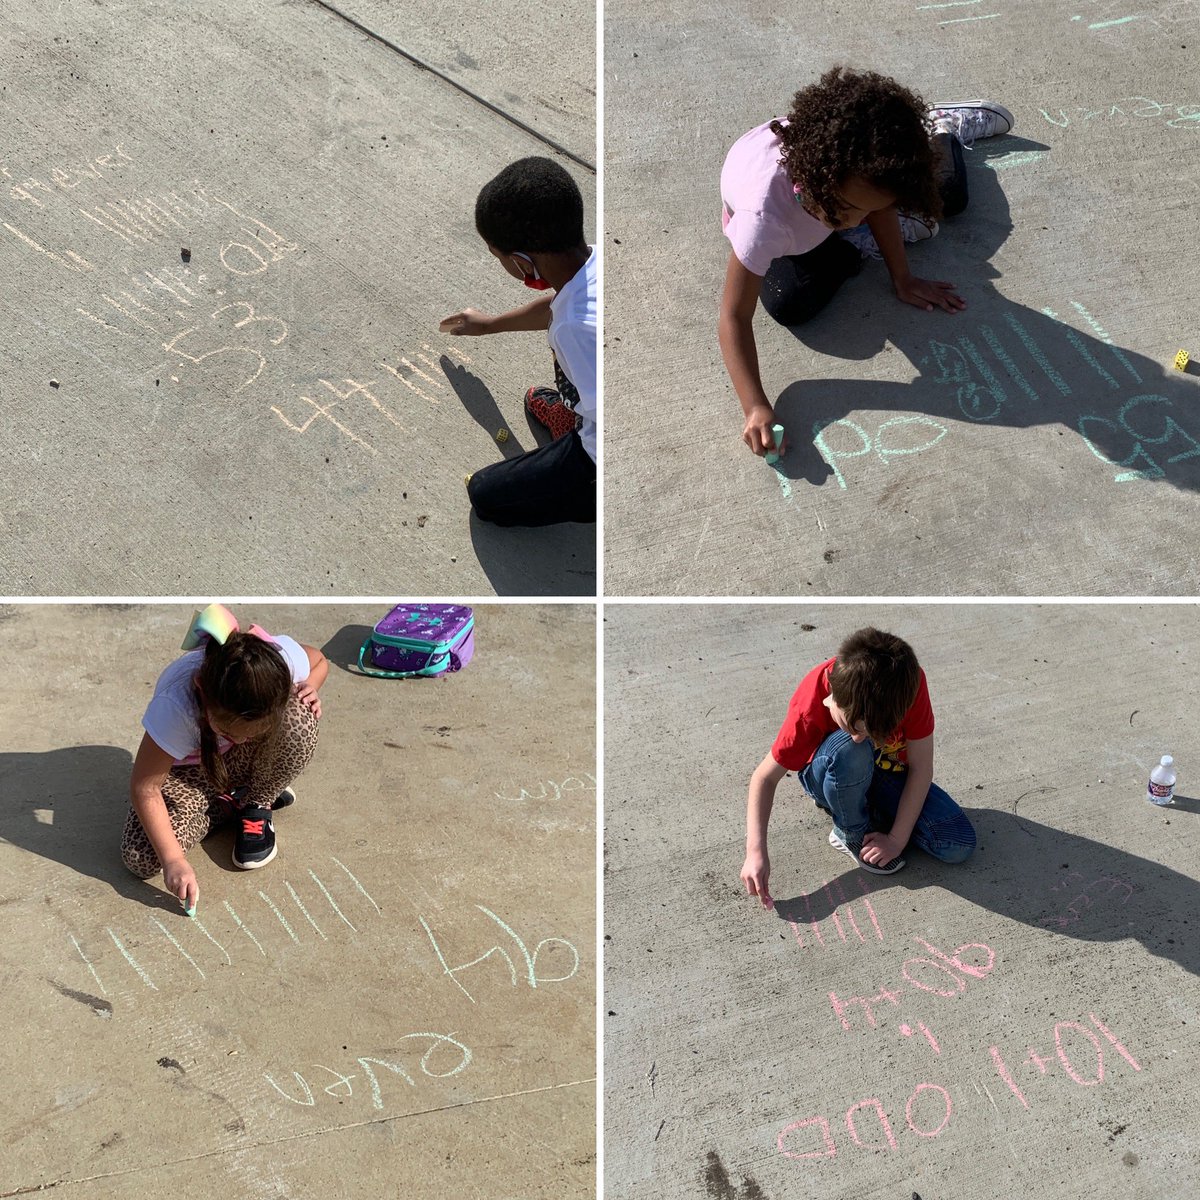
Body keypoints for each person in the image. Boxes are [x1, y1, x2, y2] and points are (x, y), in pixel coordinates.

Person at [718, 66, 1014, 457]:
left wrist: (902, 277)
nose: (860, 218)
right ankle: (930, 137)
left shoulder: (852, 182)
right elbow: (733, 318)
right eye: (852, 210)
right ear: (821, 178)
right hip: (791, 215)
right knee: (790, 302)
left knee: (948, 198)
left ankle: (940, 131)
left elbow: (875, 206)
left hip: (820, 198)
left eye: (868, 212)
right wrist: (754, 406)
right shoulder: (763, 223)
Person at [741, 627, 975, 908]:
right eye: (853, 726)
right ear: (834, 698)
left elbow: (921, 768)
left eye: (869, 734)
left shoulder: (907, 687)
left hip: (885, 771)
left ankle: (871, 810)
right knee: (849, 749)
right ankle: (849, 831)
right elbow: (764, 777)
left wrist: (896, 840)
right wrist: (756, 853)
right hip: (829, 768)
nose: (858, 735)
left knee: (957, 845)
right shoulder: (813, 699)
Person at [121, 604, 328, 913]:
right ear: (202, 690)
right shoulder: (176, 707)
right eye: (231, 731)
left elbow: (320, 660)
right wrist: (174, 860)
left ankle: (258, 801)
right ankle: (228, 802)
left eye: (252, 731)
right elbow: (145, 788)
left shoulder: (274, 662)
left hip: (235, 763)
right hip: (188, 774)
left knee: (300, 715)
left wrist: (311, 686)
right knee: (142, 856)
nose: (244, 739)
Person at [441, 155, 597, 525]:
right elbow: (555, 308)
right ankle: (575, 416)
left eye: (499, 258)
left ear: (524, 263)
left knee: (486, 496)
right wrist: (490, 324)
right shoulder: (590, 265)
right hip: (596, 401)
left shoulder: (574, 329)